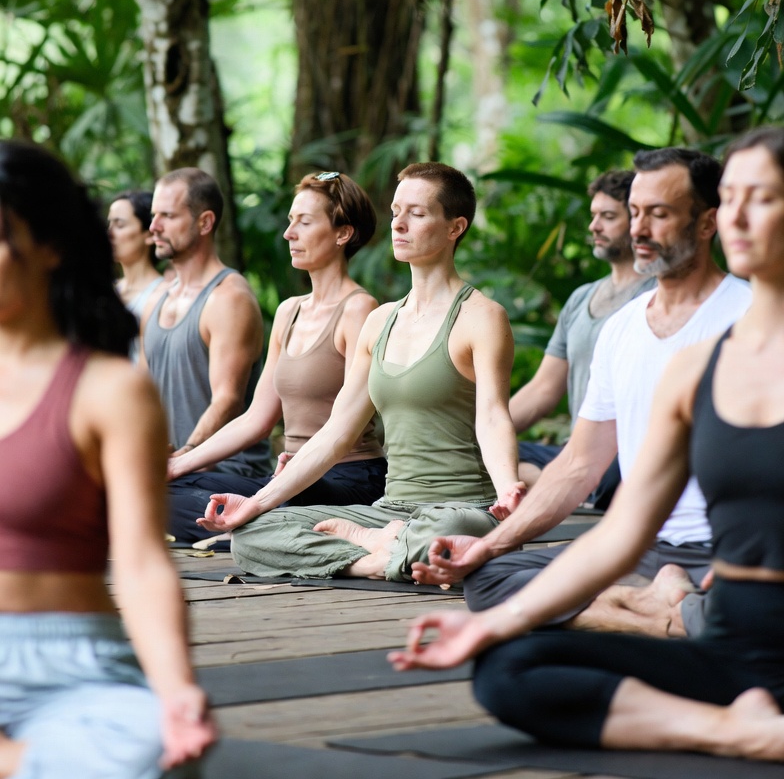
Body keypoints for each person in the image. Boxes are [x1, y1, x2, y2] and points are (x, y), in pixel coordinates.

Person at [391, 127, 784, 764]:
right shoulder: (696, 369)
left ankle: (687, 630)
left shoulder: (728, 316)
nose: (739, 215)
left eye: (760, 198)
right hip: (733, 642)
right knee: (509, 665)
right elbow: (621, 526)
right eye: (732, 195)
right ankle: (741, 730)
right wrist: (489, 620)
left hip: (727, 596)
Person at [412, 148, 751, 639]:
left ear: (707, 223)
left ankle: (662, 610)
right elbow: (577, 465)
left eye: (659, 214)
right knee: (489, 578)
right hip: (639, 547)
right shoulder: (621, 329)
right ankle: (662, 614)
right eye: (635, 212)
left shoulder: (752, 316)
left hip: (729, 550)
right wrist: (487, 546)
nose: (639, 229)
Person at [198, 162, 523, 582]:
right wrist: (257, 502)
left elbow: (494, 415)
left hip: (461, 508)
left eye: (417, 214)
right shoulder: (381, 321)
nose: (399, 224)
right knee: (253, 534)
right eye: (395, 212)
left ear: (454, 227)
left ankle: (390, 545)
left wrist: (510, 493)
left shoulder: (481, 317)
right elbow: (336, 433)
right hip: (388, 509)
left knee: (447, 532)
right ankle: (379, 554)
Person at [0, 141, 214, 778]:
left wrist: (176, 692)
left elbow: (145, 560)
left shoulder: (110, 391)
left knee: (149, 753)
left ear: (50, 248)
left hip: (73, 665)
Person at [166, 171, 387, 544]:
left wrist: (292, 474)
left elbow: (346, 424)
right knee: (162, 491)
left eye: (304, 222)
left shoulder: (359, 310)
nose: (289, 234)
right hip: (287, 477)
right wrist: (179, 463)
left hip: (348, 478)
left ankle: (253, 525)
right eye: (290, 222)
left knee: (280, 500)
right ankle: (253, 528)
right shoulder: (289, 311)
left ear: (342, 233)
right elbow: (257, 418)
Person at [513, 170, 653, 507]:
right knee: (483, 453)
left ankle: (555, 484)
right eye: (593, 216)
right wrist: (480, 434)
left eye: (607, 216)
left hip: (621, 457)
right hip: (572, 454)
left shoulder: (658, 295)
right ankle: (549, 481)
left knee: (615, 475)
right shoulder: (580, 299)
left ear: (637, 220)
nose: (594, 227)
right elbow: (543, 389)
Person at [140, 168, 272, 496]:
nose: (154, 226)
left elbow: (227, 399)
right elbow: (142, 391)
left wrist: (185, 456)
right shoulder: (157, 297)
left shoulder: (229, 298)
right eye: (154, 215)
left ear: (205, 222)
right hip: (171, 474)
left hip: (228, 475)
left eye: (167, 216)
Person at [108, 190, 164, 363]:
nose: (109, 233)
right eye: (109, 224)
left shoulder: (164, 295)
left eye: (120, 225)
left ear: (148, 234)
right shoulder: (107, 291)